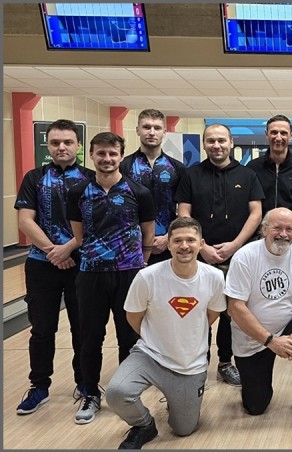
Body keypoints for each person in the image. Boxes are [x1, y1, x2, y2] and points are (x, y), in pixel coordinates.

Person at [106, 217, 226, 449]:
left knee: (183, 429)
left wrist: (185, 335)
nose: (184, 246)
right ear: (168, 244)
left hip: (190, 365)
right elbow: (133, 317)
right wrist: (156, 339)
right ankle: (144, 425)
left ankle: (177, 398)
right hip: (150, 356)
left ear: (201, 244)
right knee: (116, 393)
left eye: (190, 240)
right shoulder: (147, 276)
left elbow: (212, 315)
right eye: (177, 240)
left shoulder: (214, 277)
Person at [66, 132, 155, 424]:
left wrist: (140, 262)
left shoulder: (139, 191)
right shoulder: (78, 192)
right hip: (90, 274)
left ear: (121, 156)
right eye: (101, 153)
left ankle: (126, 392)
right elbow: (79, 235)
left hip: (129, 274)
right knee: (90, 336)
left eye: (112, 153)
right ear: (91, 155)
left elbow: (148, 234)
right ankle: (90, 392)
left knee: (129, 336)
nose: (107, 159)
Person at [14, 119, 94, 415]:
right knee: (42, 329)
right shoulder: (34, 177)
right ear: (48, 145)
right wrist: (54, 252)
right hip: (41, 264)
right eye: (56, 142)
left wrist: (68, 248)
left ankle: (85, 382)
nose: (62, 147)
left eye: (68, 142)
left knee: (82, 328)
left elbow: (94, 222)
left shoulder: (91, 178)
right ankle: (39, 386)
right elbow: (25, 220)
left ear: (78, 146)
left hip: (80, 263)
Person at [176, 123, 265, 388]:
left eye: (221, 140)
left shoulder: (247, 175)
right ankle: (195, 365)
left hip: (237, 256)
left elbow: (256, 213)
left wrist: (235, 245)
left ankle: (225, 363)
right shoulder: (191, 175)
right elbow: (183, 213)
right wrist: (201, 246)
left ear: (231, 143)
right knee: (196, 311)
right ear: (204, 144)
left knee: (230, 312)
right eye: (211, 141)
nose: (216, 145)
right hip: (198, 256)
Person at [225, 208, 292, 414]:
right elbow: (235, 307)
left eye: (290, 229)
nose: (284, 234)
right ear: (264, 230)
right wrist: (271, 341)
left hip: (288, 323)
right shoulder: (245, 256)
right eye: (277, 228)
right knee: (255, 406)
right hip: (251, 335)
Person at [120, 108, 186, 265]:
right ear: (137, 130)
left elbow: (184, 208)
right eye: (146, 127)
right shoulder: (124, 167)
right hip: (131, 244)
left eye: (157, 128)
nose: (151, 132)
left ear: (164, 132)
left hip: (168, 244)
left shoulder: (177, 168)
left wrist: (168, 237)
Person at [247, 114, 292, 219]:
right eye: (274, 132)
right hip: (261, 228)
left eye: (283, 133)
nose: (278, 138)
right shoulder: (253, 168)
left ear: (291, 136)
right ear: (266, 134)